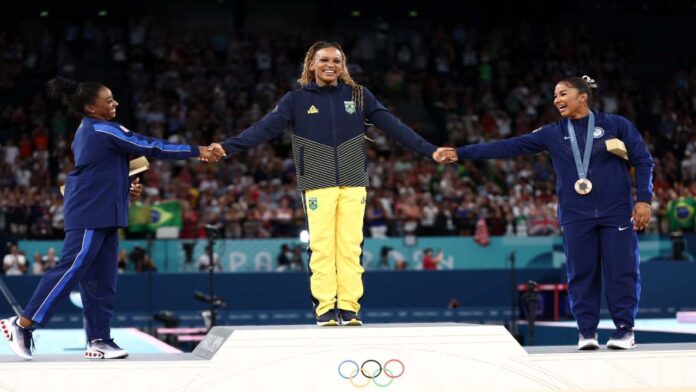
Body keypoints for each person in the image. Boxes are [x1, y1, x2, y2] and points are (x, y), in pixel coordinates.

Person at [209, 41, 447, 326]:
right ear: (311, 64)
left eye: (336, 60)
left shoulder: (359, 95)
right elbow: (264, 129)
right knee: (322, 247)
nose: (330, 65)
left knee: (350, 246)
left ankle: (349, 308)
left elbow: (394, 126)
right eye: (324, 60)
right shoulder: (295, 100)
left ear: (342, 65)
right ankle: (325, 308)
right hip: (317, 182)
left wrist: (429, 149)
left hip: (354, 181)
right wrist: (227, 147)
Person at [0, 77, 225, 361]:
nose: (115, 103)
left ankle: (99, 339)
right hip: (89, 211)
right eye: (108, 100)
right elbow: (148, 146)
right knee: (73, 266)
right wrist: (198, 151)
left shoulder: (88, 131)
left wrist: (124, 187)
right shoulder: (102, 129)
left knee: (100, 281)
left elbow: (99, 169)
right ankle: (22, 324)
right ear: (92, 108)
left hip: (105, 210)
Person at [436, 76, 654, 350]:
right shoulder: (553, 133)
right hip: (576, 214)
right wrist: (461, 153)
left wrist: (644, 200)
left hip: (617, 212)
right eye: (555, 96)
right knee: (580, 273)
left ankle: (624, 330)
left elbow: (643, 159)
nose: (557, 100)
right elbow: (510, 146)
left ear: (582, 96)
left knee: (621, 271)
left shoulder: (616, 125)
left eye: (563, 94)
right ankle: (587, 332)